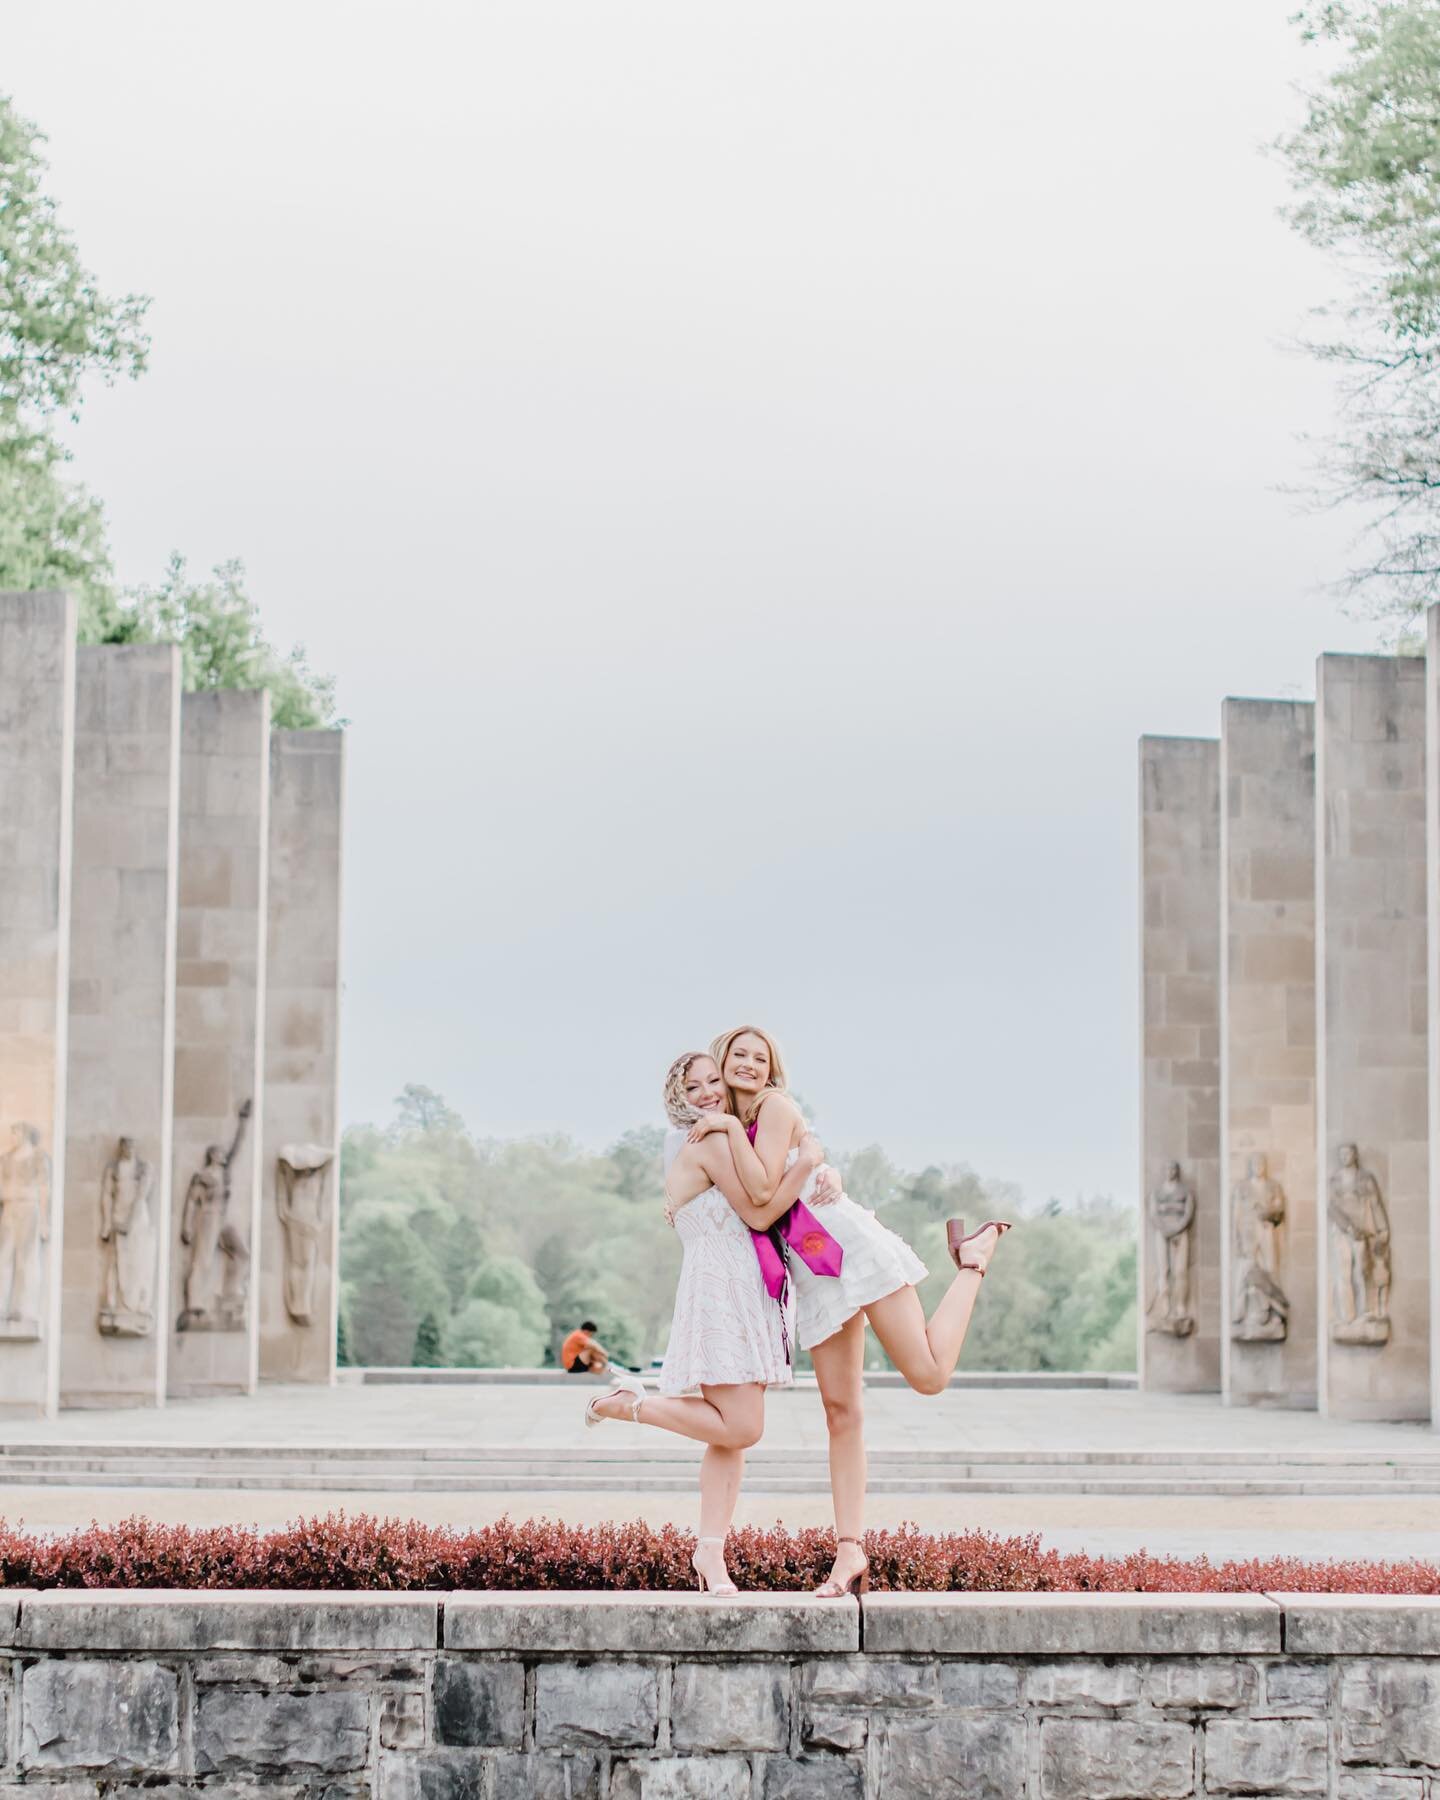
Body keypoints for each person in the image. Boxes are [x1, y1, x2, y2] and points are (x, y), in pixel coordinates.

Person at [691, 1024, 1009, 1599]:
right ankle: (850, 1552)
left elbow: (763, 1197)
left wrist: (746, 1137)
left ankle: (972, 1260)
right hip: (810, 1275)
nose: (749, 1065)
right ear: (721, 1062)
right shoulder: (724, 1129)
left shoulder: (775, 1108)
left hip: (844, 1246)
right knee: (841, 1411)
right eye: (739, 1054)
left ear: (772, 1071)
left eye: (760, 1058)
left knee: (929, 1376)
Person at [584, 1050, 838, 1597]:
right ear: (679, 1097)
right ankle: (630, 1404)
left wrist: (817, 1163)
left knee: (730, 1438)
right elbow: (762, 1211)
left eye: (712, 1081)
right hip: (721, 1288)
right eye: (692, 1086)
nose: (705, 1092)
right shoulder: (713, 1140)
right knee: (744, 1426)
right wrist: (807, 1160)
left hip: (745, 1285)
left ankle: (710, 1555)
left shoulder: (721, 1137)